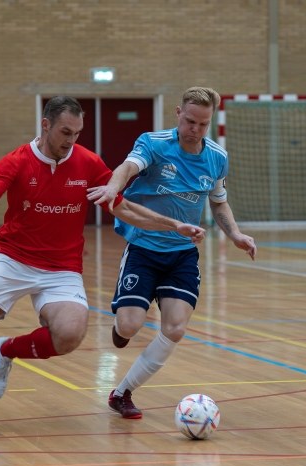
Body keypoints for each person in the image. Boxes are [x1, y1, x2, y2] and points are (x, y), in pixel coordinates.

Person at [0, 96, 205, 429]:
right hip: (13, 259)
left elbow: (124, 208)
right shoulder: (17, 161)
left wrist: (175, 225)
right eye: (65, 132)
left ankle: (5, 350)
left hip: (61, 268)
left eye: (77, 134)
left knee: (70, 334)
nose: (71, 141)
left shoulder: (87, 164)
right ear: (46, 125)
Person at [87, 86, 257, 419]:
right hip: (144, 249)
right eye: (190, 121)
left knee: (175, 329)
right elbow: (128, 167)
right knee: (129, 326)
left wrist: (234, 233)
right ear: (178, 113)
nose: (195, 130)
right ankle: (122, 327)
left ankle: (122, 392)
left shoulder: (216, 157)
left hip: (182, 254)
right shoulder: (154, 143)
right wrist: (112, 185)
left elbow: (218, 201)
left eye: (203, 124)